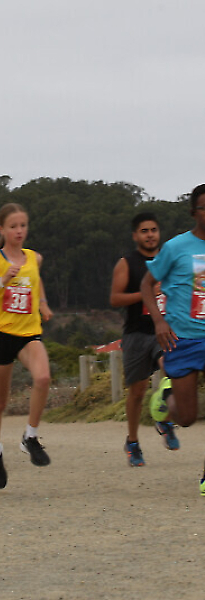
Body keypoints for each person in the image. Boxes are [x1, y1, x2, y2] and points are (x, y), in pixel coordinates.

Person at [0, 203, 53, 489]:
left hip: (28, 333)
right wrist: (1, 282)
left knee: (43, 377)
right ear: (1, 229)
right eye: (13, 226)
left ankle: (30, 436)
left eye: (23, 225)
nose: (19, 231)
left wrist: (43, 303)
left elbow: (36, 282)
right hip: (0, 335)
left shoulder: (34, 258)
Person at [141, 183, 205, 495]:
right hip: (183, 339)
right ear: (193, 212)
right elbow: (147, 284)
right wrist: (158, 321)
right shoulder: (176, 247)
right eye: (204, 208)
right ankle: (165, 399)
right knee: (188, 417)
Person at [110, 212, 173, 467]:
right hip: (136, 333)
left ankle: (163, 416)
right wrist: (146, 292)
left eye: (153, 230)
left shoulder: (169, 260)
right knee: (137, 392)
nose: (150, 235)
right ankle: (133, 442)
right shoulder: (127, 263)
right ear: (135, 235)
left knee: (173, 370)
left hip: (165, 331)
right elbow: (115, 299)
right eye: (144, 231)